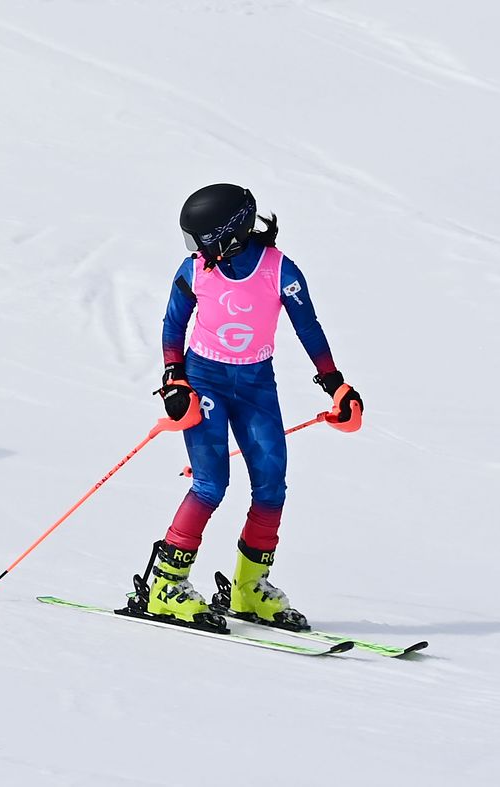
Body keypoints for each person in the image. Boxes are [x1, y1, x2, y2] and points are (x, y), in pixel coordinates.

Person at [133, 183, 363, 631]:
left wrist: (335, 385)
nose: (195, 250)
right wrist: (174, 378)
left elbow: (308, 328)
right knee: (210, 483)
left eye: (200, 240)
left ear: (229, 234)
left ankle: (248, 588)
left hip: (256, 383)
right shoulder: (195, 270)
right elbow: (172, 325)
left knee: (272, 485)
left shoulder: (279, 269)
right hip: (206, 378)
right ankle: (166, 585)